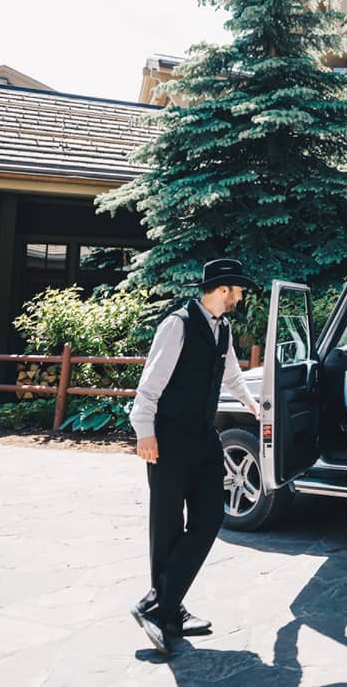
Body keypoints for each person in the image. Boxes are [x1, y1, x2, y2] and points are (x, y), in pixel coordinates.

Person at [128, 258, 261, 655]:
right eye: (238, 289)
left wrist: (254, 407)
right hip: (167, 438)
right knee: (166, 526)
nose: (241, 296)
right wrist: (144, 433)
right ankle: (168, 611)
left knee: (210, 517)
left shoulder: (223, 329)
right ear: (223, 289)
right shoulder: (178, 325)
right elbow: (149, 385)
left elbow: (233, 376)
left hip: (204, 437)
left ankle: (156, 604)